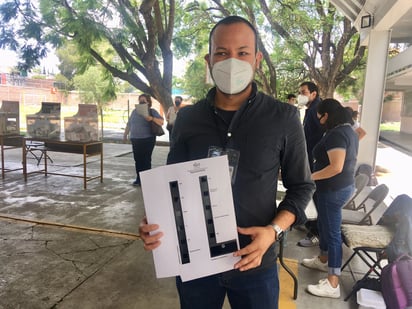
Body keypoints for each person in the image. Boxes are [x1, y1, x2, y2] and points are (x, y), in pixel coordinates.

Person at [139, 16, 314, 309]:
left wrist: (274, 231)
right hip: (196, 266)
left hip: (255, 265)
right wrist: (155, 223)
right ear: (209, 59)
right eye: (222, 53)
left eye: (242, 52)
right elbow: (173, 185)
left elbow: (302, 187)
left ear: (257, 59)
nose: (231, 61)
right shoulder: (188, 119)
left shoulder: (283, 118)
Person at [302, 98, 359, 299]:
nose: (318, 120)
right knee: (325, 226)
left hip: (334, 190)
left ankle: (333, 282)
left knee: (333, 233)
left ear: (327, 116)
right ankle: (324, 258)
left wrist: (307, 177)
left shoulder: (337, 134)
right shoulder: (348, 130)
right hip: (337, 188)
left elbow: (336, 167)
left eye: (319, 117)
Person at [297, 81, 325, 247]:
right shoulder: (311, 109)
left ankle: (316, 232)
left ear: (314, 94)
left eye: (304, 92)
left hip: (315, 161)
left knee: (316, 195)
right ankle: (309, 222)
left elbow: (323, 135)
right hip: (309, 158)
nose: (301, 95)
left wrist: (316, 156)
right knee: (309, 193)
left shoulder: (318, 110)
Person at [123, 93, 164, 186]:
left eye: (143, 100)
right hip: (135, 139)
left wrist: (151, 118)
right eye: (140, 100)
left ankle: (146, 179)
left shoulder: (152, 111)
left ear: (148, 102)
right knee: (137, 160)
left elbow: (161, 122)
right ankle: (139, 178)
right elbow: (129, 124)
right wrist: (125, 134)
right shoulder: (134, 112)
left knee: (146, 160)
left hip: (148, 139)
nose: (141, 102)